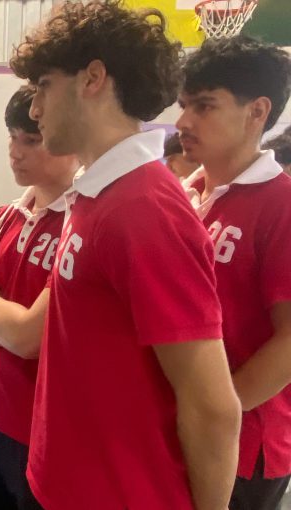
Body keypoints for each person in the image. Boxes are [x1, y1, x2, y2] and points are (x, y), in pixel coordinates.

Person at [0, 2, 241, 509]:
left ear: (92, 78)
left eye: (44, 87)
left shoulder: (146, 209)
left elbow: (213, 407)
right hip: (64, 484)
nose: (34, 109)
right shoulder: (96, 196)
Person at [177, 35, 291, 510]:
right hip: (175, 429)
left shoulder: (280, 204)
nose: (183, 121)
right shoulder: (182, 195)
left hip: (240, 447)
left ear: (257, 111)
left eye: (204, 106)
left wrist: (213, 417)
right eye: (184, 105)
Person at [0, 85, 78, 509]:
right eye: (12, 137)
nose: (16, 151)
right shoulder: (5, 217)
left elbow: (29, 339)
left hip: (47, 432)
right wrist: (3, 319)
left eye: (32, 139)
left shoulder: (82, 223)